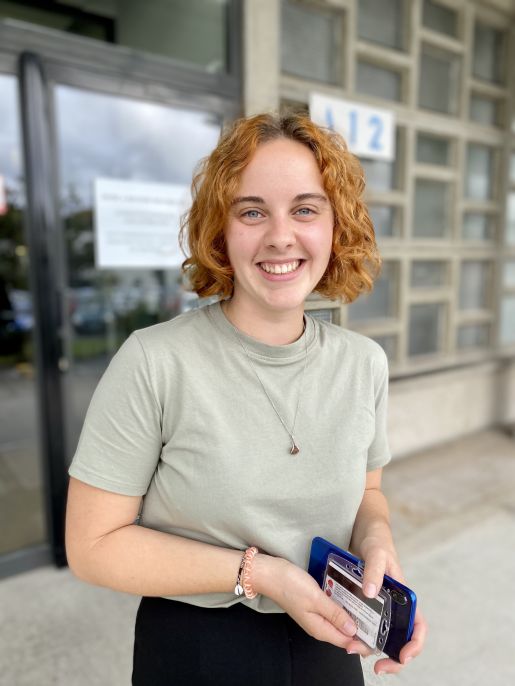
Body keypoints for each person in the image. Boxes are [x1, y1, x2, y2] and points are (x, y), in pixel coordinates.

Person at [65, 112, 426, 685]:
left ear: (336, 227)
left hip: (328, 639)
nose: (280, 235)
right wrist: (264, 575)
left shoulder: (364, 364)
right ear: (221, 231)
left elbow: (368, 492)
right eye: (252, 211)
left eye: (305, 209)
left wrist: (378, 542)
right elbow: (92, 545)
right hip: (196, 647)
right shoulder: (155, 361)